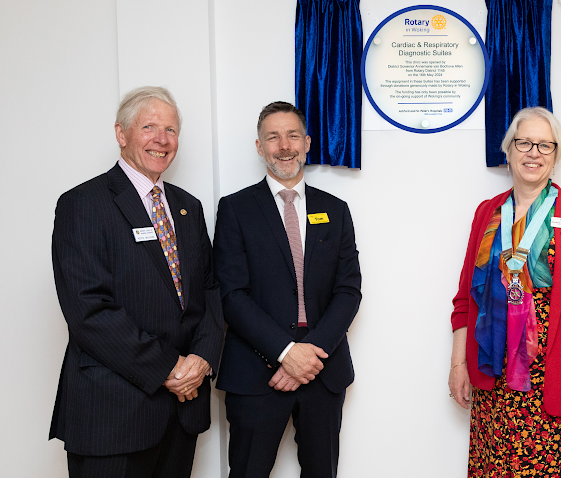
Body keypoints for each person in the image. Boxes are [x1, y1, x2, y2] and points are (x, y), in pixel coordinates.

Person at [50, 86, 225, 478]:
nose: (162, 140)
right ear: (121, 133)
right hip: (112, 414)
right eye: (149, 126)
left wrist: (201, 359)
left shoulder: (187, 207)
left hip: (183, 410)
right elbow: (88, 310)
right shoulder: (83, 204)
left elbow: (209, 292)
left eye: (171, 129)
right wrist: (171, 367)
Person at [449, 107, 561, 477]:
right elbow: (466, 297)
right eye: (524, 142)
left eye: (545, 145)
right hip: (495, 376)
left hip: (558, 375)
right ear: (508, 151)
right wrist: (458, 363)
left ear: (556, 156)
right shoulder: (488, 213)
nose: (533, 153)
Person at [213, 101, 362, 478]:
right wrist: (284, 352)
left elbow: (349, 290)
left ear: (307, 142)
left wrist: (308, 356)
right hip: (255, 372)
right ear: (259, 146)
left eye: (293, 135)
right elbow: (231, 294)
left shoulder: (336, 209)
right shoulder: (235, 209)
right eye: (273, 137)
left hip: (322, 370)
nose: (284, 145)